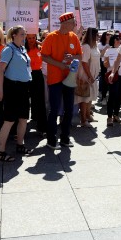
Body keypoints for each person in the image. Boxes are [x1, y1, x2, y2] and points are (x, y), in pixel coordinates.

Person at [41, 12, 82, 149]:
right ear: (65, 23)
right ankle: (51, 139)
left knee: (69, 109)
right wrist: (60, 65)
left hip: (69, 78)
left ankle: (65, 138)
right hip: (55, 79)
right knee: (54, 110)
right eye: (73, 22)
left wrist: (72, 57)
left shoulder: (74, 37)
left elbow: (80, 56)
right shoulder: (51, 37)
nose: (75, 24)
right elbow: (44, 56)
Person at [0, 26, 33, 161]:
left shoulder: (22, 49)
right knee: (9, 121)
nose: (25, 36)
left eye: (25, 34)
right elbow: (0, 70)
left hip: (24, 88)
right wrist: (0, 89)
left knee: (23, 119)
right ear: (15, 35)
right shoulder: (8, 50)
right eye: (22, 34)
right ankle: (1, 152)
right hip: (13, 88)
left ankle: (20, 145)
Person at [76, 28, 100, 127]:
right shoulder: (86, 46)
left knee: (90, 98)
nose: (98, 36)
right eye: (97, 34)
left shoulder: (95, 46)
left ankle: (88, 115)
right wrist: (89, 76)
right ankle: (83, 120)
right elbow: (84, 62)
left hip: (93, 76)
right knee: (84, 98)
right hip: (86, 76)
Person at [25, 33, 46, 135]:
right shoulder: (23, 49)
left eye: (33, 38)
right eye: (29, 38)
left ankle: (40, 124)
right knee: (25, 99)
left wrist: (40, 42)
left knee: (39, 99)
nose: (31, 40)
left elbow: (48, 48)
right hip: (26, 74)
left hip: (38, 74)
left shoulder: (40, 47)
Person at [104, 33, 121, 123]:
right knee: (112, 96)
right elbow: (105, 63)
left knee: (119, 96)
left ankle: (116, 114)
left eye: (120, 39)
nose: (119, 41)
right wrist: (109, 65)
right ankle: (109, 117)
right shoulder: (108, 50)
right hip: (113, 75)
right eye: (117, 39)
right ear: (113, 40)